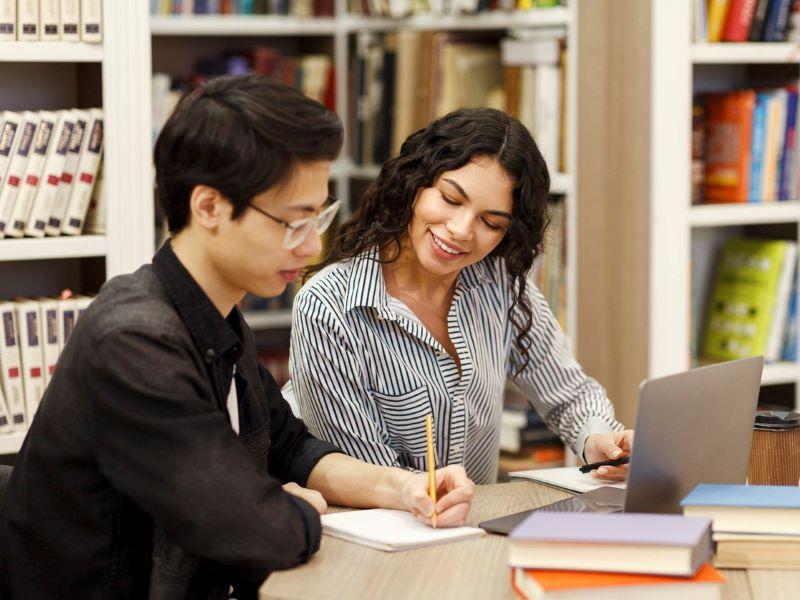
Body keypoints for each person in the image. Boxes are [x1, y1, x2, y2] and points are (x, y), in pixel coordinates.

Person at [0, 75, 474, 600]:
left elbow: (290, 447)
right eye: (294, 223)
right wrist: (292, 506)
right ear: (209, 208)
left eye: (319, 217)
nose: (313, 246)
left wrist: (404, 487)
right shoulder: (135, 342)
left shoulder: (215, 315)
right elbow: (252, 528)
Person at [284, 107, 634, 486]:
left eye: (491, 222)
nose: (461, 230)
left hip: (470, 532)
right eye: (451, 199)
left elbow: (569, 394)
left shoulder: (498, 280)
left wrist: (597, 440)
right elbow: (370, 480)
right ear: (415, 185)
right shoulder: (329, 306)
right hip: (382, 533)